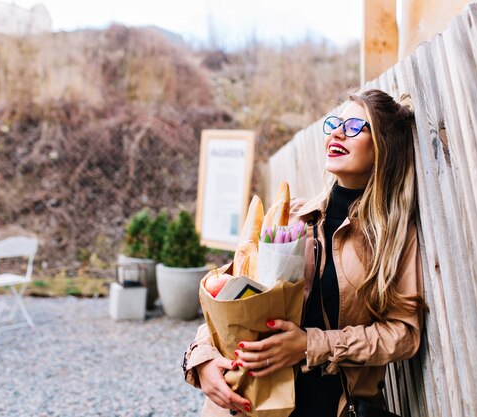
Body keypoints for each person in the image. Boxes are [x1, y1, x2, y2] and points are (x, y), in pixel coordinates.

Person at [182, 88, 427, 417]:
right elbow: (229, 292)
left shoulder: (391, 237)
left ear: (384, 146)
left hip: (330, 407)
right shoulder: (291, 217)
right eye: (335, 124)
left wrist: (310, 345)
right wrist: (201, 358)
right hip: (248, 403)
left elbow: (403, 333)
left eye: (355, 126)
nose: (337, 133)